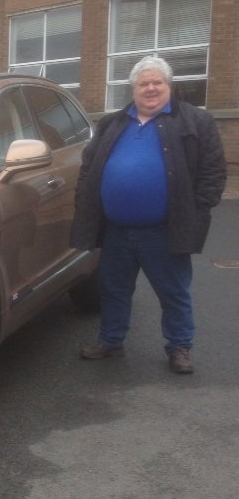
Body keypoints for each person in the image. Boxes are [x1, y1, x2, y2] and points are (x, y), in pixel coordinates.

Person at [70, 55, 227, 374]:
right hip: (116, 229)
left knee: (173, 292)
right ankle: (111, 341)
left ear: (169, 86)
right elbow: (89, 167)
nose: (151, 88)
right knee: (113, 289)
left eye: (158, 82)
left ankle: (180, 347)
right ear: (134, 88)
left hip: (165, 230)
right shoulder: (113, 122)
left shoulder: (195, 121)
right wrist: (84, 200)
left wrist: (197, 211)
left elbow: (213, 172)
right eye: (144, 83)